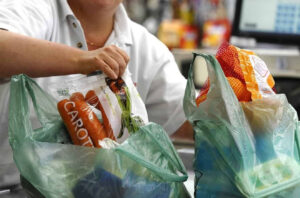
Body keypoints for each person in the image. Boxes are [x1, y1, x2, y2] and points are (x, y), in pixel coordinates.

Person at [0, 0, 193, 189]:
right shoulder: (33, 9)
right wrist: (82, 60)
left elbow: (191, 118)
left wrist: (218, 101)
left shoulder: (146, 47)